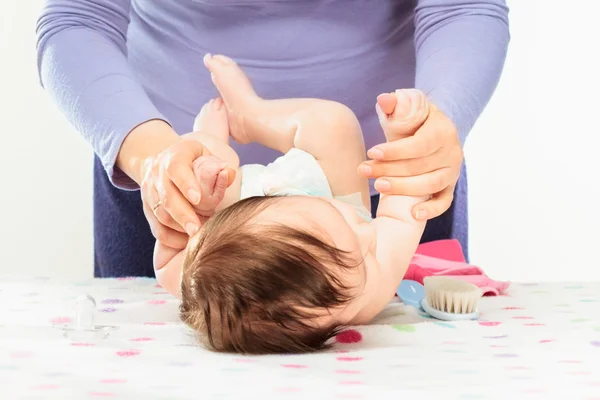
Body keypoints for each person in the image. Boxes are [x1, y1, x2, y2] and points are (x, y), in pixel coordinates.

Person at [36, 1, 510, 277]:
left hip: (194, 194)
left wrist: (432, 130)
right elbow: (79, 17)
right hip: (165, 179)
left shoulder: (361, 270)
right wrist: (157, 159)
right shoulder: (365, 275)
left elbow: (462, 7)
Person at [156, 54, 429, 354]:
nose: (368, 234)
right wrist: (408, 139)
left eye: (356, 237)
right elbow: (400, 217)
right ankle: (252, 116)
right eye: (364, 261)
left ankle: (218, 134)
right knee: (334, 124)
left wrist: (194, 216)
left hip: (239, 206)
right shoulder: (366, 296)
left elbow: (169, 261)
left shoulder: (209, 280)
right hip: (321, 190)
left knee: (202, 186)